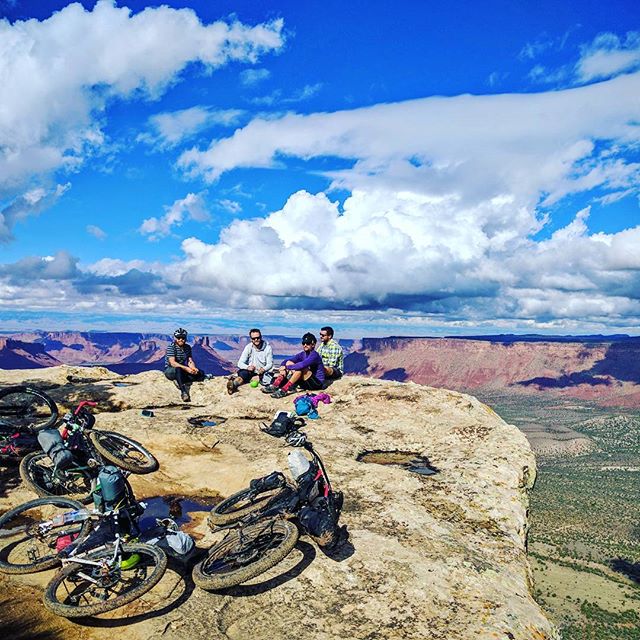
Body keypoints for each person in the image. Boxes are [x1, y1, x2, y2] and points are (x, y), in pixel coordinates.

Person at [263, 332, 325, 399]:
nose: (305, 345)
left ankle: (284, 390)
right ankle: (275, 385)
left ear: (313, 345)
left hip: (317, 384)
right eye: (303, 343)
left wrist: (287, 367)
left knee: (301, 369)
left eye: (308, 343)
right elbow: (287, 360)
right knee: (289, 362)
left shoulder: (314, 355)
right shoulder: (302, 354)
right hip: (306, 382)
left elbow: (302, 365)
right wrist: (283, 367)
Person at [227, 328, 273, 395]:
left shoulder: (267, 348)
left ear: (261, 337)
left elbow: (270, 364)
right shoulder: (248, 347)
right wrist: (248, 367)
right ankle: (233, 385)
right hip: (251, 371)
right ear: (251, 339)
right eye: (254, 338)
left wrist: (263, 369)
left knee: (266, 380)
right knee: (243, 375)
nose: (256, 340)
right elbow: (240, 363)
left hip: (263, 372)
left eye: (258, 337)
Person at [164, 328, 205, 402]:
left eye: (182, 338)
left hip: (182, 370)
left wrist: (193, 368)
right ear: (175, 338)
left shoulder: (187, 347)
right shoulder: (171, 347)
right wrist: (187, 369)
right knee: (178, 369)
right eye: (178, 338)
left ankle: (179, 380)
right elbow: (172, 363)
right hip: (171, 370)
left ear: (185, 338)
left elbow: (190, 360)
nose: (180, 339)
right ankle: (183, 392)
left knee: (201, 373)